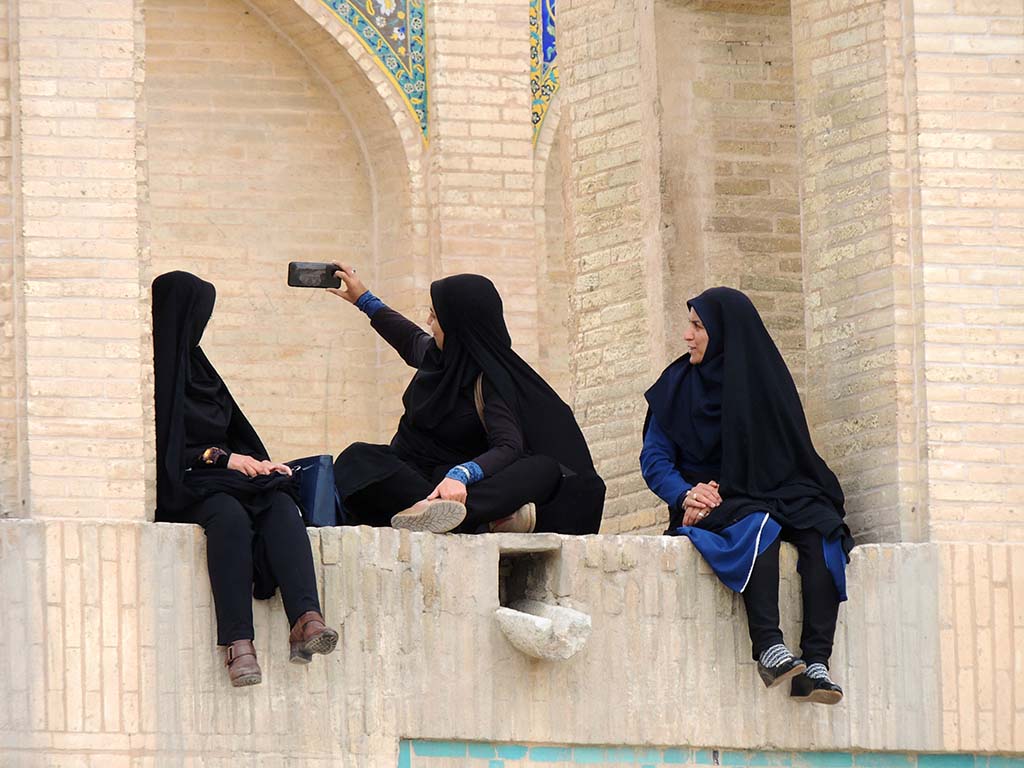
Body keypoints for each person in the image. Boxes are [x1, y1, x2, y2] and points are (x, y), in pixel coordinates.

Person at [640, 287, 852, 705]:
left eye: (698, 326)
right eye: (691, 325)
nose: (687, 336)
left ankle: (816, 664)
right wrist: (686, 495)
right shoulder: (675, 387)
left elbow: (793, 455)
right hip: (711, 503)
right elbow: (655, 460)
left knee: (825, 529)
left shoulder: (764, 383)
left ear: (724, 332)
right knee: (760, 524)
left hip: (769, 490)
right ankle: (770, 649)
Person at [152, 271, 338, 687]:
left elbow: (235, 430)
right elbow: (160, 443)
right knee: (230, 518)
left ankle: (306, 619)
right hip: (181, 482)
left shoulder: (200, 369)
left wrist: (259, 463)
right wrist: (222, 459)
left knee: (278, 502)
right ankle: (239, 645)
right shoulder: (153, 370)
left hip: (224, 477)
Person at [329, 265, 605, 535]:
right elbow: (407, 338)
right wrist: (362, 299)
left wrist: (461, 475)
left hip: (462, 487)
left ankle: (449, 515)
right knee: (358, 457)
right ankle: (466, 518)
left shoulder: (490, 381)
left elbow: (509, 446)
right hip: (415, 480)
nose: (428, 323)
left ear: (458, 327)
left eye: (434, 317)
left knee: (542, 469)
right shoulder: (439, 358)